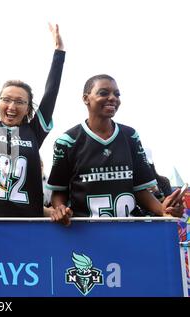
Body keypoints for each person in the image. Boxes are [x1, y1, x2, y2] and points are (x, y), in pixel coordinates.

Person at [0, 11, 65, 218]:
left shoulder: (34, 131)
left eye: (20, 102)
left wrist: (59, 52)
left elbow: (51, 93)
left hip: (25, 225)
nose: (12, 106)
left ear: (28, 108)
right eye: (6, 99)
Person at [47, 74, 184, 222]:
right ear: (86, 98)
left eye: (117, 94)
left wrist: (163, 209)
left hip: (127, 230)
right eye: (104, 93)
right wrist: (61, 210)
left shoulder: (130, 136)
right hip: (85, 232)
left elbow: (139, 189)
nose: (113, 98)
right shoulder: (68, 141)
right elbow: (59, 191)